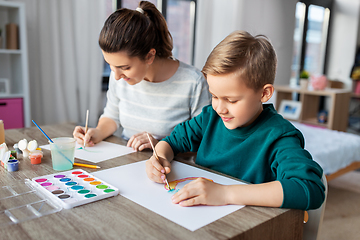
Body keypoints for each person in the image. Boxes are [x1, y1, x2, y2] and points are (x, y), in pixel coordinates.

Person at [145, 31, 325, 210]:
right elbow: (172, 141)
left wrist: (225, 194)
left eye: (231, 100)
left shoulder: (280, 136)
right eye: (214, 96)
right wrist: (159, 158)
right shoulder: (210, 117)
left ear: (264, 93)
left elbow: (309, 188)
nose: (220, 108)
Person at [73, 1, 211, 151]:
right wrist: (97, 132)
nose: (117, 76)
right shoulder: (119, 77)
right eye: (110, 65)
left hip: (171, 169)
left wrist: (162, 146)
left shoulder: (194, 82)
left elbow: (204, 139)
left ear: (150, 56)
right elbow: (112, 116)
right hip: (128, 161)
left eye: (124, 67)